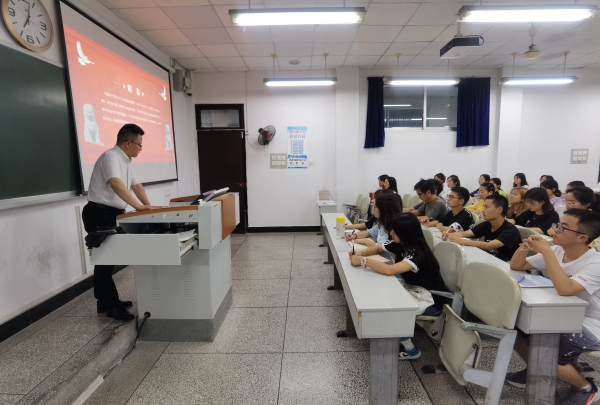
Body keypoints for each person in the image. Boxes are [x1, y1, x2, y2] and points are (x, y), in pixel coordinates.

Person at [506, 209, 600, 405]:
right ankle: (538, 370)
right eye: (557, 224)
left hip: (592, 323)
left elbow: (566, 289)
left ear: (583, 237)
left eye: (563, 228)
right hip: (565, 312)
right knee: (517, 330)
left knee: (546, 354)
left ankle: (586, 388)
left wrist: (546, 251)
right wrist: (525, 247)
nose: (554, 230)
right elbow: (517, 265)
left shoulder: (595, 263)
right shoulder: (558, 251)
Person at [349, 213, 449, 360]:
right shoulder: (401, 243)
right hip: (416, 290)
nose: (391, 233)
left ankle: (411, 350)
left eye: (394, 231)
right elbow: (377, 249)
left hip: (431, 300)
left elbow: (389, 270)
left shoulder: (416, 254)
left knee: (390, 307)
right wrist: (359, 253)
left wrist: (363, 261)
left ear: (405, 233)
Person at [82, 123, 156, 321]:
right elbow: (115, 183)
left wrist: (149, 206)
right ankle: (112, 306)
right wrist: (138, 207)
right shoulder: (110, 157)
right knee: (105, 261)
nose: (141, 148)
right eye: (139, 144)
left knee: (107, 260)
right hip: (98, 213)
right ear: (128, 143)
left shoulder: (127, 161)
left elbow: (136, 186)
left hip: (112, 214)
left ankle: (103, 302)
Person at [444, 194, 521, 262]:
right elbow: (465, 233)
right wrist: (449, 235)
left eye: (487, 207)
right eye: (484, 206)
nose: (483, 210)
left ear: (499, 210)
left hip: (505, 265)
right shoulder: (487, 224)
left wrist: (461, 241)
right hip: (488, 260)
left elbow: (489, 246)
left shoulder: (511, 230)